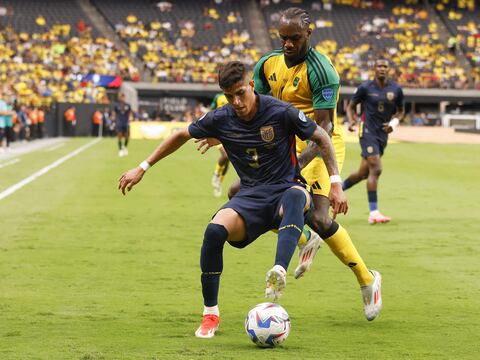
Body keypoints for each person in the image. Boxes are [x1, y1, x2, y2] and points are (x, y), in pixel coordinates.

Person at [118, 61, 348, 339]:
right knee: (214, 231)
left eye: (241, 93)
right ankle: (210, 314)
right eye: (229, 96)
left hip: (286, 188)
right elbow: (180, 135)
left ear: (251, 85)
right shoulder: (222, 117)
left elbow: (322, 136)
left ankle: (278, 270)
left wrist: (335, 184)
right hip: (250, 195)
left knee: (296, 195)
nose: (236, 102)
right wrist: (142, 167)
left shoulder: (280, 111)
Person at [227, 7, 382, 321]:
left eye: (294, 38)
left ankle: (368, 280)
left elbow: (323, 130)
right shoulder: (267, 64)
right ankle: (302, 238)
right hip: (284, 148)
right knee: (237, 195)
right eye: (283, 37)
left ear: (308, 34)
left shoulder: (322, 71)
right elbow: (255, 107)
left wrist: (298, 166)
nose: (287, 44)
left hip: (319, 147)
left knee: (322, 219)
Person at [343, 58, 405, 224]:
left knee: (363, 173)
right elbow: (350, 106)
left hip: (382, 134)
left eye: (385, 66)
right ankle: (374, 213)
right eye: (379, 66)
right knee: (376, 168)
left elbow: (400, 111)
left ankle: (333, 192)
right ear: (374, 69)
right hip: (367, 131)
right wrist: (352, 120)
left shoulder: (396, 89)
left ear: (389, 69)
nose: (382, 69)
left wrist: (394, 123)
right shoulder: (365, 88)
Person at [210, 92, 230, 197]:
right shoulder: (218, 96)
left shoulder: (234, 95)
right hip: (219, 130)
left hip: (231, 130)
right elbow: (212, 110)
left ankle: (219, 184)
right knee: (225, 156)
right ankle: (216, 173)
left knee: (228, 161)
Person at [114, 93, 132, 157]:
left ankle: (125, 147)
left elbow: (130, 113)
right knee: (119, 136)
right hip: (119, 123)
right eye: (121, 97)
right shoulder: (116, 105)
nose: (122, 98)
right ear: (119, 98)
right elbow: (115, 113)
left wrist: (130, 119)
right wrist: (115, 121)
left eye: (123, 97)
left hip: (126, 123)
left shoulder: (128, 105)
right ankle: (120, 150)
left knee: (127, 136)